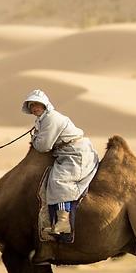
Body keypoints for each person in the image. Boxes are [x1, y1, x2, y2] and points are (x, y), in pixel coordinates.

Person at [22, 90, 99, 239]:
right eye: (32, 105)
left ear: (45, 105)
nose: (34, 108)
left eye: (37, 104)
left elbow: (43, 146)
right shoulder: (42, 120)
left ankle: (64, 223)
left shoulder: (51, 119)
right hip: (65, 153)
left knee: (59, 181)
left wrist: (35, 139)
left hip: (75, 153)